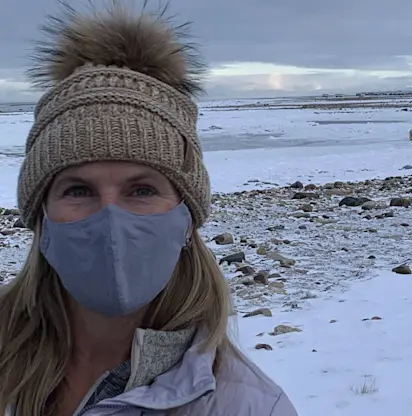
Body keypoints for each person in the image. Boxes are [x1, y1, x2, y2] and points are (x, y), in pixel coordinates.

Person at [0, 2, 298, 415]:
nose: (110, 219)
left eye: (141, 190)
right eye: (78, 190)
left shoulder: (247, 406)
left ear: (186, 217)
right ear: (41, 218)